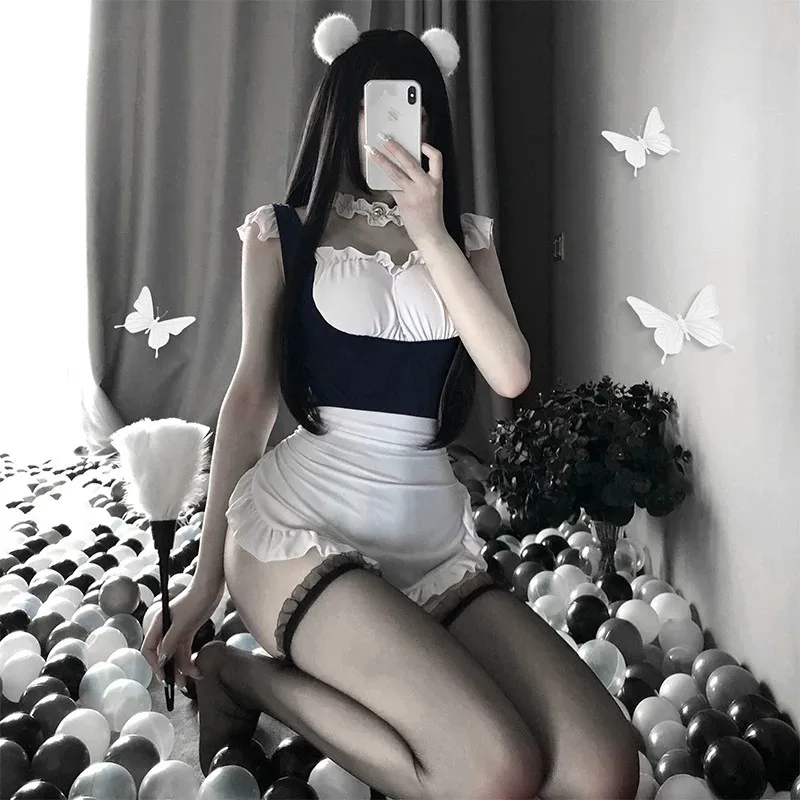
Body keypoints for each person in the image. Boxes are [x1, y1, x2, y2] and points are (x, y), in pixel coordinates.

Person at [141, 12, 639, 800]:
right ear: (342, 109)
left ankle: (300, 677)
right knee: (492, 772)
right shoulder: (281, 233)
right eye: (376, 105)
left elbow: (510, 373)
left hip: (429, 544)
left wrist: (430, 233)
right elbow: (249, 398)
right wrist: (207, 583)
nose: (395, 127)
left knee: (605, 771)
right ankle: (243, 677)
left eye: (414, 107)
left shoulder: (464, 238)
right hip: (299, 530)